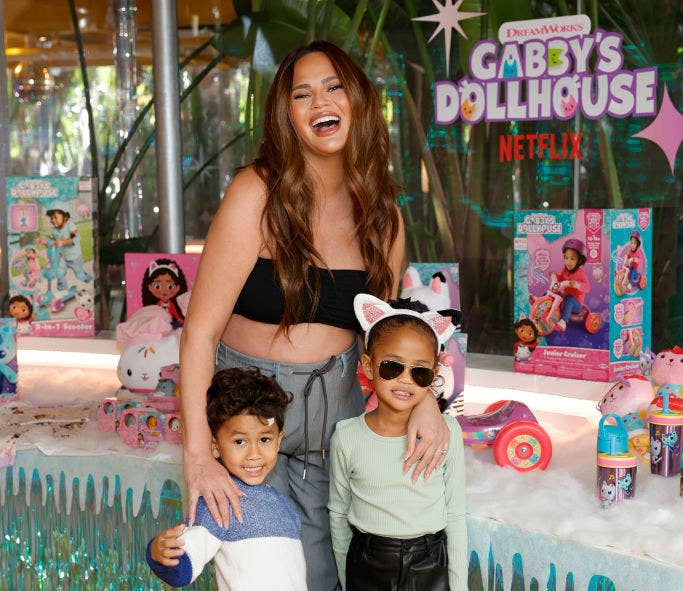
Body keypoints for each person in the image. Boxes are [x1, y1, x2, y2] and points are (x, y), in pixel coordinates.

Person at [180, 40, 451, 591]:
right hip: (250, 409)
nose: (319, 101)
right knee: (261, 571)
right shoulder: (256, 192)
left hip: (340, 412)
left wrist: (426, 406)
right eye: (301, 94)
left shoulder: (384, 217)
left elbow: (392, 343)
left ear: (359, 101)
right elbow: (199, 334)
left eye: (333, 87)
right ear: (288, 118)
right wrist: (198, 457)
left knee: (332, 570)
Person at [328, 294, 467, 591]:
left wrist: (458, 586)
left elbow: (455, 513)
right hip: (367, 565)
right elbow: (338, 514)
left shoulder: (448, 432)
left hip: (431, 565)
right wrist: (345, 579)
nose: (405, 380)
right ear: (368, 366)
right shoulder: (347, 436)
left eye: (419, 372)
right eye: (392, 367)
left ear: (433, 376)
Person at [146, 367, 307, 590]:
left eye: (264, 440)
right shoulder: (220, 501)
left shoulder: (284, 504)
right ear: (215, 446)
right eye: (240, 441)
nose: (254, 454)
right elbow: (181, 570)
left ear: (279, 440)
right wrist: (157, 551)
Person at [45, 207, 92, 289]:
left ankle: (86, 277)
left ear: (65, 217)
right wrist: (47, 242)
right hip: (63, 257)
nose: (52, 220)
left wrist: (63, 242)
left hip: (74, 257)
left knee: (79, 275)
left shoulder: (70, 225)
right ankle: (62, 287)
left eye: (55, 217)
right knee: (60, 271)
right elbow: (53, 241)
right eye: (51, 218)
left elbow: (75, 238)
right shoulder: (54, 230)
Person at [551, 238, 590, 332]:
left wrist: (576, 284)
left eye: (572, 259)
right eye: (566, 258)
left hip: (576, 304)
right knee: (553, 292)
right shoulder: (565, 270)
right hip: (564, 298)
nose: (568, 261)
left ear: (579, 261)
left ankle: (563, 321)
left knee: (569, 298)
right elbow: (560, 279)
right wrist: (554, 275)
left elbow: (587, 287)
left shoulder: (580, 273)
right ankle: (542, 301)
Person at [141, 258, 188, 328]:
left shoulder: (170, 304)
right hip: (159, 322)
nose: (164, 290)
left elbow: (175, 313)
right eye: (157, 286)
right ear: (150, 287)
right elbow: (156, 313)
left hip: (170, 322)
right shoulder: (157, 305)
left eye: (170, 286)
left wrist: (179, 319)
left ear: (178, 287)